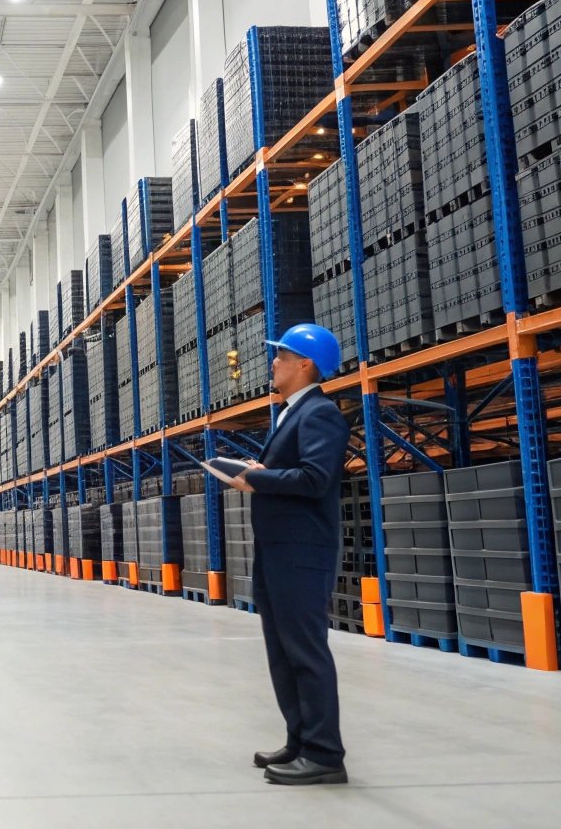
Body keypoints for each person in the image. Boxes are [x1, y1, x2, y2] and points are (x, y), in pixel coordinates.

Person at [228, 323, 349, 787]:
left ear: (306, 364)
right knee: (281, 651)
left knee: (305, 651)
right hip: (278, 550)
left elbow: (316, 479)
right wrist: (263, 470)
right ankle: (299, 739)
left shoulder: (320, 413)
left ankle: (324, 754)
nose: (273, 362)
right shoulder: (290, 413)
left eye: (282, 355)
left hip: (301, 552)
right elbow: (294, 472)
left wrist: (257, 479)